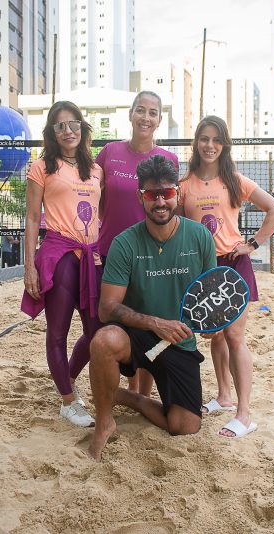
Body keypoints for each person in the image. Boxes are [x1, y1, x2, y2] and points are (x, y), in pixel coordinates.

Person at [88, 154, 216, 461]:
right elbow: (107, 309)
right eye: (151, 194)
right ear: (140, 197)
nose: (160, 202)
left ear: (177, 193)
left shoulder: (199, 237)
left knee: (184, 426)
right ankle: (104, 422)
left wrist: (215, 326)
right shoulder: (125, 243)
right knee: (103, 341)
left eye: (167, 193)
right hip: (139, 336)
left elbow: (210, 300)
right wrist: (155, 323)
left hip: (179, 340)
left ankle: (123, 397)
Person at [178, 115, 274, 439]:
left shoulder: (236, 181)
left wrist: (251, 244)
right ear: (196, 142)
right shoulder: (184, 186)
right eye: (204, 139)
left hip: (234, 264)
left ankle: (244, 413)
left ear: (224, 145)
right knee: (217, 337)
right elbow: (181, 231)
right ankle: (224, 396)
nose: (210, 145)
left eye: (216, 139)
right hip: (203, 266)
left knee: (235, 337)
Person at [21, 101, 104, 428]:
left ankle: (65, 379)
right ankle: (69, 401)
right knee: (58, 332)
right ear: (52, 133)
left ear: (82, 128)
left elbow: (101, 215)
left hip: (91, 257)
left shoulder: (95, 169)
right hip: (59, 255)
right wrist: (30, 266)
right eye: (60, 126)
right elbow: (30, 217)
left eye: (73, 124)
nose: (68, 130)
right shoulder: (42, 167)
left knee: (95, 332)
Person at [95, 90, 180, 397]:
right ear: (130, 114)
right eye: (140, 110)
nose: (146, 117)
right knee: (111, 322)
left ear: (159, 120)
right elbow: (94, 197)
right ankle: (114, 389)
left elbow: (172, 207)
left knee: (146, 325)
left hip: (150, 256)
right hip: (110, 252)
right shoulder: (109, 152)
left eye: (153, 112)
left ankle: (140, 394)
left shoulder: (169, 160)